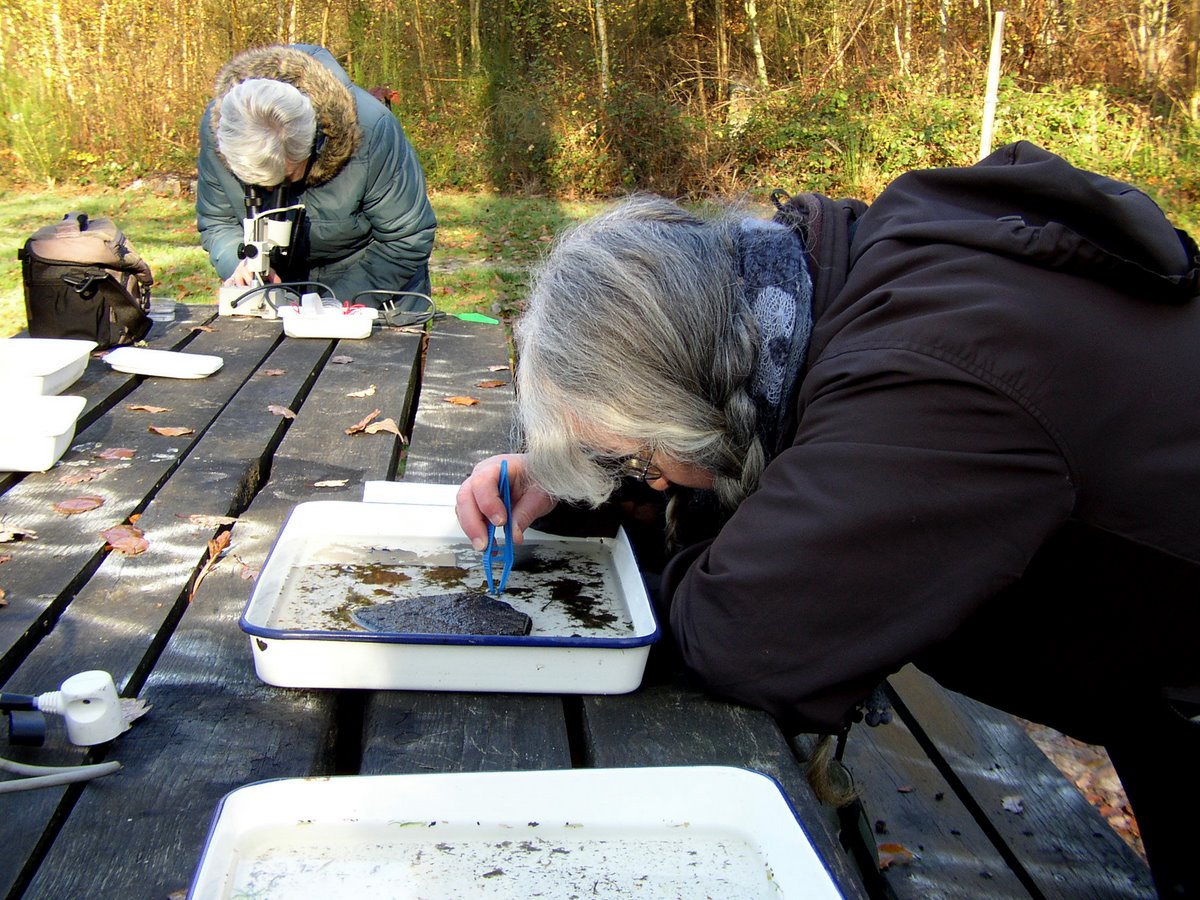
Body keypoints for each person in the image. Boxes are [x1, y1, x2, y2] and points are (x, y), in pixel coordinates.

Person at [455, 142, 1200, 897]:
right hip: (1145, 673)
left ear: (683, 404)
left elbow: (752, 634)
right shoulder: (822, 287)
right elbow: (787, 494)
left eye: (637, 458)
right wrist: (576, 480)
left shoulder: (923, 377)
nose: (647, 480)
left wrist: (643, 549)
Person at [196, 44, 437, 305]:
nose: (270, 191)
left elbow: (405, 239)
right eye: (255, 184)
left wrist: (333, 306)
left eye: (286, 177)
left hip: (375, 286)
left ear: (310, 144)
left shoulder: (372, 129)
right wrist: (240, 264)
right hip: (280, 292)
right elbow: (218, 221)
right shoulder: (223, 128)